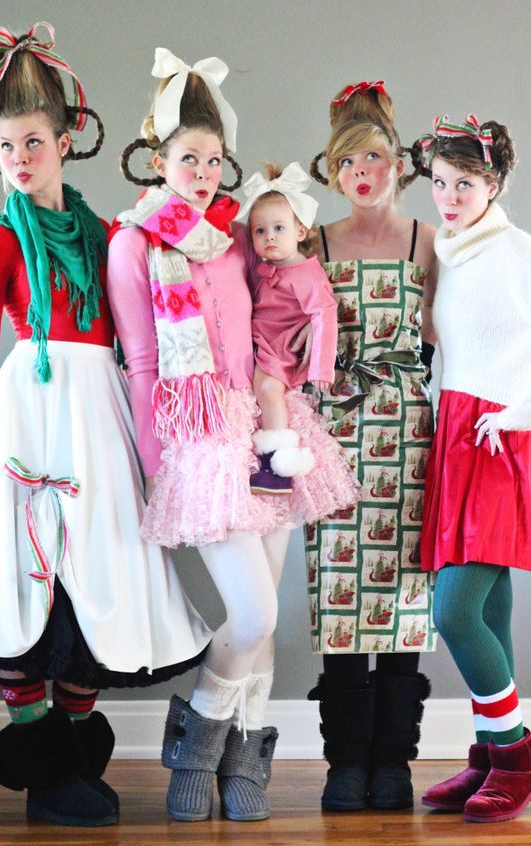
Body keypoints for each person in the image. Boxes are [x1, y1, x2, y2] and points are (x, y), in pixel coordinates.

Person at [0, 23, 211, 827]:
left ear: (66, 139)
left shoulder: (108, 235)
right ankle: (42, 761)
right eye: (6, 145)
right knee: (31, 580)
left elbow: (138, 339)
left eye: (33, 140)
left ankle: (72, 750)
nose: (19, 158)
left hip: (97, 418)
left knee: (101, 578)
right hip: (28, 420)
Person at [107, 48, 358, 823]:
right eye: (189, 158)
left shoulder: (237, 236)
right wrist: (161, 465)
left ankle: (239, 761)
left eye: (215, 159)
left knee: (270, 619)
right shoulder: (135, 242)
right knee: (248, 616)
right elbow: (143, 362)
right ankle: (195, 742)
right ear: (158, 159)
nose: (206, 172)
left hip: (260, 426)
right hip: (198, 442)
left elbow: (276, 311)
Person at [305, 79, 437, 812]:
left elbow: (459, 334)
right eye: (349, 160)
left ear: (399, 162)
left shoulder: (428, 240)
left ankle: (395, 761)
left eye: (377, 156)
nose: (364, 172)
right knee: (342, 603)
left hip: (411, 438)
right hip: (336, 440)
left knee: (405, 602)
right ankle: (344, 764)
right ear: (334, 168)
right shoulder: (314, 241)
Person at [414, 113, 531, 823]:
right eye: (439, 183)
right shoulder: (451, 253)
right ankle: (494, 752)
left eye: (465, 183)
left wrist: (515, 412)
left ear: (494, 183)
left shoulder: (516, 251)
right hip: (457, 426)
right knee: (489, 604)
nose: (449, 196)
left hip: (498, 432)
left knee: (455, 610)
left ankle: (515, 756)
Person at [236, 161, 339, 494]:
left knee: (268, 389)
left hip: (282, 346)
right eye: (260, 231)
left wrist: (321, 367)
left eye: (279, 228)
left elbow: (324, 313)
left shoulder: (305, 273)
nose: (269, 238)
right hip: (257, 340)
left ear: (300, 231)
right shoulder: (262, 265)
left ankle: (277, 463)